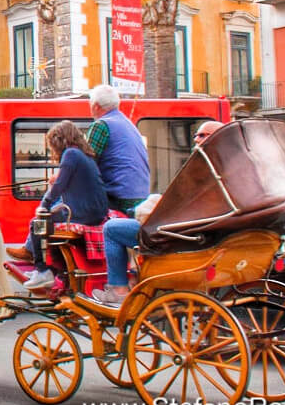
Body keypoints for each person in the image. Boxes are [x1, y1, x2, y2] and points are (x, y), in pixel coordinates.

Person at [91, 118, 222, 306]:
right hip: (200, 232)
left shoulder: (204, 167)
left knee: (112, 228)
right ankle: (135, 278)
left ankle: (118, 290)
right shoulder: (225, 167)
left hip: (183, 236)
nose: (196, 140)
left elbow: (181, 203)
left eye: (202, 135)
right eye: (196, 135)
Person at [21, 121, 108, 290]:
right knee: (48, 222)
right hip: (95, 211)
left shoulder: (71, 154)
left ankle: (42, 270)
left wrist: (44, 205)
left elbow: (59, 185)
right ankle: (51, 269)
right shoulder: (84, 155)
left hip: (82, 213)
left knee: (37, 224)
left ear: (59, 140)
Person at [85, 85, 150, 215]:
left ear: (96, 106)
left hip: (119, 196)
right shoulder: (127, 123)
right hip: (140, 194)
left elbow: (86, 163)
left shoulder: (101, 125)